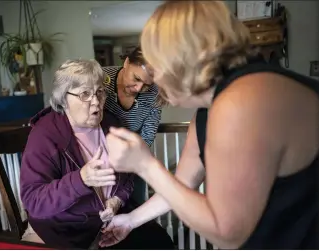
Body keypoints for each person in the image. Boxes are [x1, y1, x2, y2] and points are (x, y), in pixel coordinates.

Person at [100, 1, 319, 250]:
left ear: (181, 60)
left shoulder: (244, 100)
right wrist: (130, 220)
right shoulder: (208, 111)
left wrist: (146, 166)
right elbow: (181, 186)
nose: (155, 79)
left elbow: (228, 233)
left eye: (156, 65)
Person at [19, 59, 174, 249]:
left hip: (110, 223)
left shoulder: (111, 124)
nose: (96, 101)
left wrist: (116, 201)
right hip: (65, 228)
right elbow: (34, 201)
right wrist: (81, 179)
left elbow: (126, 178)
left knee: (160, 242)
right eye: (85, 94)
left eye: (99, 92)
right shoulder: (44, 133)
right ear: (63, 98)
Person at [102, 46, 163, 206]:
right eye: (136, 78)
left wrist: (131, 159)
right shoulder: (100, 78)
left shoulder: (154, 94)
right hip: (99, 158)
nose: (139, 88)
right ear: (127, 62)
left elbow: (147, 135)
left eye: (147, 85)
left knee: (135, 206)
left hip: (132, 159)